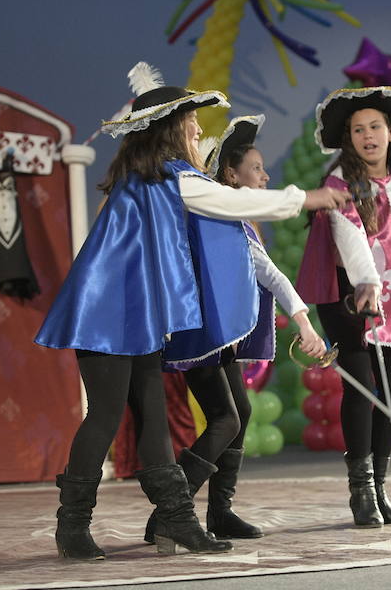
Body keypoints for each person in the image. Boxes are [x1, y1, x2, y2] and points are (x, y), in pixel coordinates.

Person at [35, 62, 348, 559]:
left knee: (154, 417)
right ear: (170, 129)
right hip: (105, 317)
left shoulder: (151, 180)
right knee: (106, 416)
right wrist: (308, 198)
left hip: (135, 319)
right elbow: (230, 201)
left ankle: (177, 519)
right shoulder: (165, 180)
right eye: (192, 125)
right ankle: (72, 525)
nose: (199, 131)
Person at [143, 115, 327, 544]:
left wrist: (302, 321)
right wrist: (304, 322)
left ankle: (220, 512)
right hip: (201, 336)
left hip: (218, 339)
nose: (265, 176)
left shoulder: (235, 223)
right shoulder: (216, 217)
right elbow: (271, 274)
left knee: (238, 415)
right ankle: (170, 512)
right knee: (226, 419)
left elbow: (268, 272)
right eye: (256, 168)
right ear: (230, 174)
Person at [295, 86, 391, 528]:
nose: (367, 135)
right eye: (358, 129)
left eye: (375, 126)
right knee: (360, 384)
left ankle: (379, 486)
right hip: (351, 294)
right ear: (349, 139)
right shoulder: (340, 181)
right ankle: (360, 490)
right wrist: (367, 282)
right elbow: (349, 232)